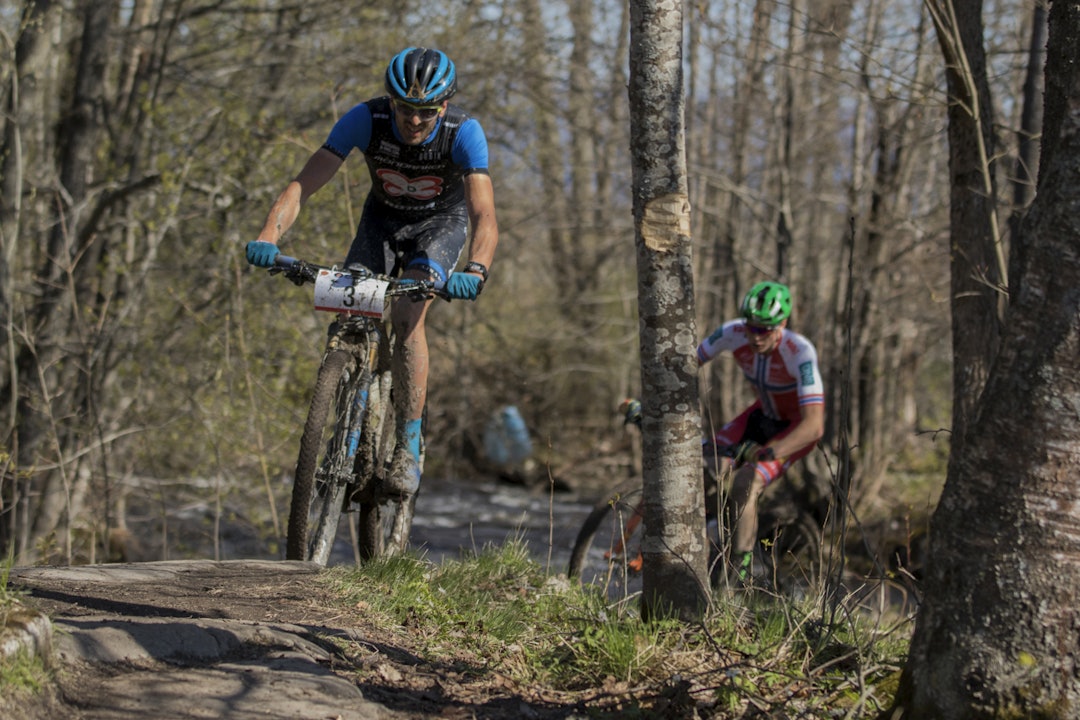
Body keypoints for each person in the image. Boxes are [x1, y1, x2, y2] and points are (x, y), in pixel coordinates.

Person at [245, 47, 499, 498]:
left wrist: (476, 269)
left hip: (439, 227)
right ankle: (345, 423)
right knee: (351, 316)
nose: (414, 121)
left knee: (406, 318)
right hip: (380, 221)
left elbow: (484, 216)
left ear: (442, 107)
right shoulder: (366, 119)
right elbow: (305, 183)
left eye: (425, 112)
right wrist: (269, 236)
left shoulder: (465, 132)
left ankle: (408, 440)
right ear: (391, 102)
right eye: (405, 109)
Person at [696, 280, 825, 583]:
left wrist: (768, 452)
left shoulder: (800, 351)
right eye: (751, 326)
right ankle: (713, 530)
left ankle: (738, 573)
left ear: (782, 324)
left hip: (793, 429)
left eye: (764, 329)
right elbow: (686, 361)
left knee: (745, 482)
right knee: (707, 466)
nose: (755, 336)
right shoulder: (732, 332)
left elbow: (814, 425)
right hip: (761, 415)